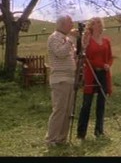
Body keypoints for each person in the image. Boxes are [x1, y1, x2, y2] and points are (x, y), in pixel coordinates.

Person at [77, 17, 114, 139]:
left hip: (104, 73)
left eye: (100, 23)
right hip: (91, 73)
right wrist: (100, 64)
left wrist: (108, 64)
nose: (98, 25)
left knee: (101, 102)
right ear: (91, 26)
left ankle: (99, 130)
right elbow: (86, 58)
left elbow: (110, 56)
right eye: (95, 23)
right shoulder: (88, 40)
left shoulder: (106, 41)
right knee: (87, 103)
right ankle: (81, 133)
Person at [45, 14, 78, 147]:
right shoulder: (54, 37)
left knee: (67, 110)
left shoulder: (66, 38)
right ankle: (51, 139)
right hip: (60, 79)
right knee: (59, 109)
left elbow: (72, 55)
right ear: (62, 24)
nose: (72, 25)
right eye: (70, 23)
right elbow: (60, 53)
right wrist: (70, 39)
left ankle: (61, 139)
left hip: (69, 78)